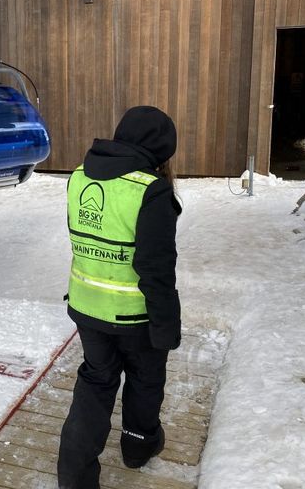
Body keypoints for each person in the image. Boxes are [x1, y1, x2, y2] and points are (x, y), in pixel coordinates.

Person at [57, 106, 182, 489]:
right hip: (134, 317)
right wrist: (166, 328)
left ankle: (74, 478)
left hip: (87, 308)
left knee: (95, 384)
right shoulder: (150, 189)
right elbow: (156, 269)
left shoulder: (79, 176)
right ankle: (138, 448)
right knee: (145, 381)